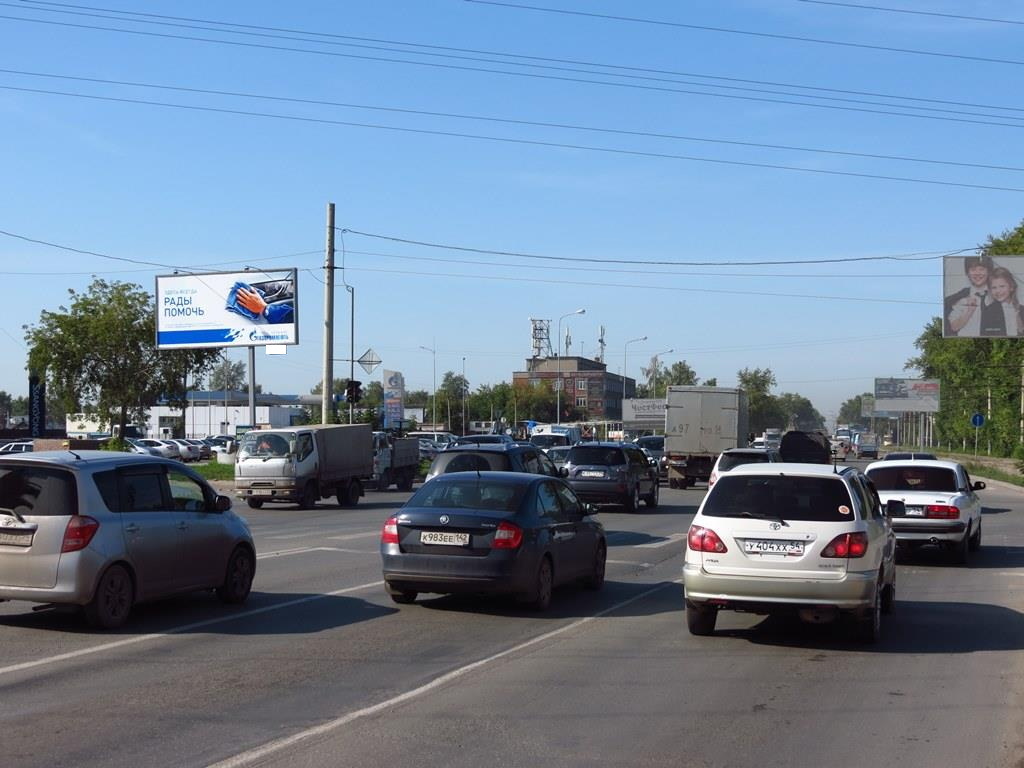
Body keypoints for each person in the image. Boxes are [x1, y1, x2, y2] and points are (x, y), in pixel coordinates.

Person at [945, 255, 994, 336]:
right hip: (967, 343)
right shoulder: (957, 299)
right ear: (967, 273)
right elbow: (953, 327)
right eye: (973, 269)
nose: (978, 273)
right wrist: (969, 312)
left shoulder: (999, 295)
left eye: (982, 269)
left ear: (989, 272)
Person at [981, 266, 1024, 337]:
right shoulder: (988, 311)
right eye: (994, 287)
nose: (998, 291)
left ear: (1011, 287)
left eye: (1002, 286)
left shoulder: (1022, 309)